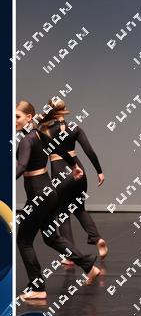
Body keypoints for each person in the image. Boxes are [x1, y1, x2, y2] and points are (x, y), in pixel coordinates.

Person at [15, 100, 100, 300]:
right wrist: (74, 165)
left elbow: (22, 165)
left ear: (29, 117)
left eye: (17, 117)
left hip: (38, 195)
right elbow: (59, 148)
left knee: (24, 241)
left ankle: (37, 287)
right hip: (49, 193)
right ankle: (89, 266)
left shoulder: (27, 139)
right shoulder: (39, 134)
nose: (14, 121)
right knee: (51, 237)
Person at [38, 98, 108, 262]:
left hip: (60, 172)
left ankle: (69, 256)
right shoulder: (75, 127)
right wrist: (99, 171)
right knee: (80, 208)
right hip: (79, 170)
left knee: (62, 213)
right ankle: (97, 238)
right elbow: (89, 151)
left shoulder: (45, 130)